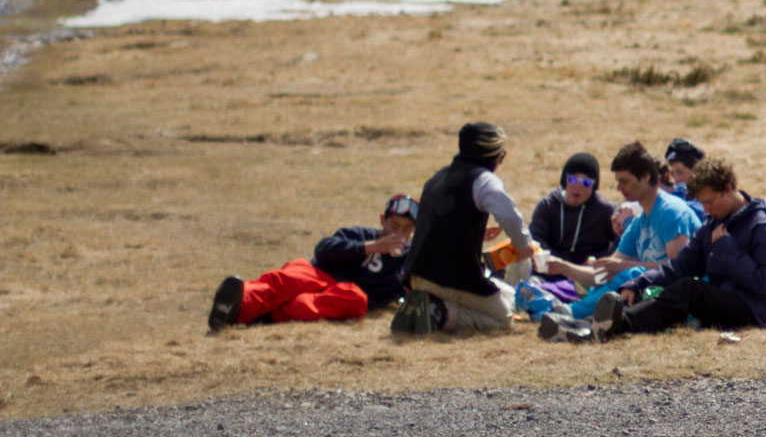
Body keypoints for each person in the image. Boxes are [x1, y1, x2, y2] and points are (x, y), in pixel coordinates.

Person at [587, 156, 766, 341]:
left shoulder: (765, 225)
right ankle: (595, 325)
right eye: (702, 204)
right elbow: (680, 265)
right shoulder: (714, 223)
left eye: (710, 202)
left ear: (728, 188)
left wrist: (728, 252)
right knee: (658, 290)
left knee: (690, 290)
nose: (706, 210)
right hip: (724, 302)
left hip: (758, 313)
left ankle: (620, 328)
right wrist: (638, 283)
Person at [534, 142, 700, 340]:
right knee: (622, 274)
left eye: (625, 181)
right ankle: (579, 322)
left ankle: (573, 315)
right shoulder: (639, 222)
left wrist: (624, 266)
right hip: (650, 293)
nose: (619, 188)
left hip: (682, 298)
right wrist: (564, 268)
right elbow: (605, 272)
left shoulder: (671, 211)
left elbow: (679, 268)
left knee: (632, 273)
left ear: (646, 177)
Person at [390, 122, 535, 334]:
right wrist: (523, 246)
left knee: (505, 293)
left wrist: (475, 234)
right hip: (452, 278)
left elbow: (439, 225)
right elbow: (509, 216)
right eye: (501, 156)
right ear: (493, 155)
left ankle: (424, 304)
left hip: (416, 274)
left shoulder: (437, 177)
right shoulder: (484, 180)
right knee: (503, 318)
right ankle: (440, 314)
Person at [209, 195, 418, 329]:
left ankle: (260, 316)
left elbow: (404, 292)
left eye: (407, 228)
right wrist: (373, 246)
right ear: (383, 219)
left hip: (345, 293)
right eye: (394, 225)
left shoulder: (408, 259)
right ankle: (235, 304)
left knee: (351, 299)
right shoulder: (360, 234)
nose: (399, 232)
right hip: (319, 273)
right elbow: (324, 249)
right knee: (287, 280)